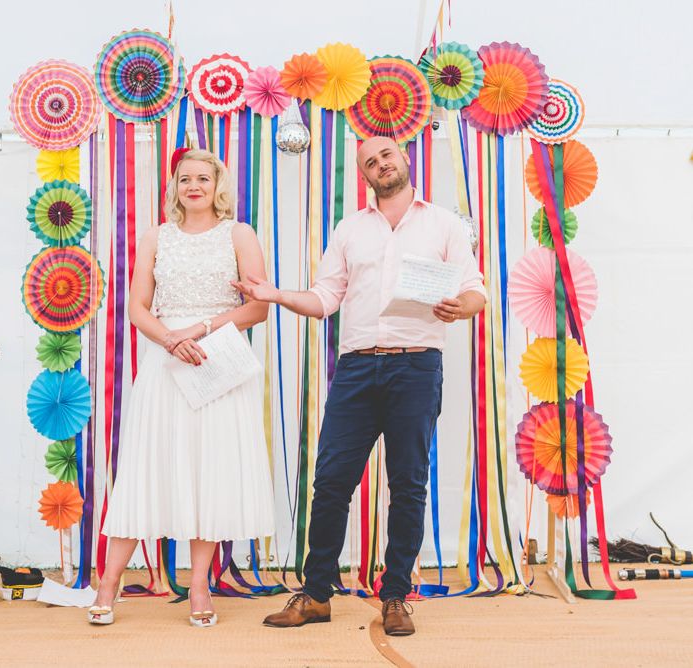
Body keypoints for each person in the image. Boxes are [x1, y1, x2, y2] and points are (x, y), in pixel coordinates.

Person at [233, 135, 486, 636]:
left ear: (405, 159)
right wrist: (275, 294)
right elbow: (327, 298)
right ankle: (317, 594)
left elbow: (474, 288)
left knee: (408, 483)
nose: (380, 164)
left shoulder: (444, 224)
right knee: (330, 482)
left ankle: (395, 597)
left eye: (386, 155)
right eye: (370, 161)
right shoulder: (350, 229)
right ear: (365, 175)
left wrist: (464, 307)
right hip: (355, 370)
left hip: (416, 367)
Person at [88, 148, 275, 628]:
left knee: (208, 471)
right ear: (175, 186)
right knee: (144, 469)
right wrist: (171, 339)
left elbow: (258, 307)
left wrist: (201, 331)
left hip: (218, 362)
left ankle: (198, 587)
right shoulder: (155, 237)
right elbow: (137, 308)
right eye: (185, 179)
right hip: (164, 363)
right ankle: (108, 583)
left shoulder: (240, 234)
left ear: (218, 185)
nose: (194, 186)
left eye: (203, 178)